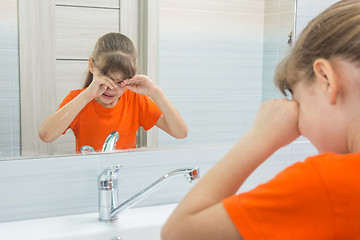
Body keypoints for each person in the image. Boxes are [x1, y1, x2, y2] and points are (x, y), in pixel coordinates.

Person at [161, 1, 360, 239]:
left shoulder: (328, 184)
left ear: (325, 79)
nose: (301, 128)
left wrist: (258, 138)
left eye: (299, 103)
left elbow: (178, 233)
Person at [39, 32, 188, 153]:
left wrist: (155, 92)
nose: (112, 89)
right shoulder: (78, 99)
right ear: (91, 66)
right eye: (106, 80)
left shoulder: (135, 100)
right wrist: (86, 96)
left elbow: (180, 133)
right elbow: (46, 135)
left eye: (120, 82)